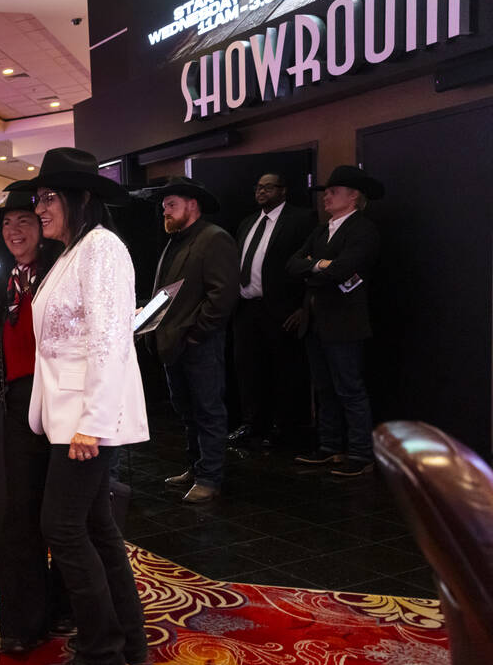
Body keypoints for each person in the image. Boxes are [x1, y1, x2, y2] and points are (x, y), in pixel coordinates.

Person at [7, 146, 149, 665]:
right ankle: (128, 639)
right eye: (38, 198)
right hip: (66, 417)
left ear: (79, 197)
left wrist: (91, 422)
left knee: (62, 527)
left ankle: (101, 653)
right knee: (95, 528)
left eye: (47, 198)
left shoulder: (103, 250)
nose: (39, 208)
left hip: (88, 420)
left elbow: (112, 343)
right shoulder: (71, 253)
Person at [0, 191, 67, 654]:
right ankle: (21, 622)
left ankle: (64, 603)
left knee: (65, 513)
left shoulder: (62, 272)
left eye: (25, 221)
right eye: (7, 223)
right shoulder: (0, 282)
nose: (14, 230)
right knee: (21, 511)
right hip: (17, 402)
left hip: (63, 400)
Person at [287, 165, 383, 477]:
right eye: (326, 191)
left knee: (349, 388)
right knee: (324, 388)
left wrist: (312, 268)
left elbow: (342, 270)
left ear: (354, 196)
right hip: (316, 321)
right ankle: (330, 446)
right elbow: (292, 265)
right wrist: (320, 266)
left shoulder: (362, 229)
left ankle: (360, 453)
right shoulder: (320, 230)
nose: (326, 196)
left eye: (333, 191)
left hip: (344, 323)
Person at [151, 177, 239, 503]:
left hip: (199, 344)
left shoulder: (215, 239)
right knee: (187, 412)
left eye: (171, 206)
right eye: (164, 208)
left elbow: (223, 295)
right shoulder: (176, 241)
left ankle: (210, 478)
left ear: (192, 205)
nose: (166, 213)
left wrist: (197, 334)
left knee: (208, 412)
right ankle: (196, 468)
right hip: (174, 344)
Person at [229, 173, 317, 448]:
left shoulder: (301, 219)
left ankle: (284, 427)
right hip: (246, 307)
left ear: (283, 190)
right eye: (258, 187)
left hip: (281, 308)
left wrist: (304, 307)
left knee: (285, 370)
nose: (262, 191)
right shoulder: (247, 222)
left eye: (268, 187)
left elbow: (308, 263)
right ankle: (251, 424)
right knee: (248, 369)